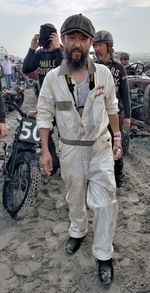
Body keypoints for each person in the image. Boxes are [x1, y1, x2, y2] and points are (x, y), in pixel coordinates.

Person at [36, 14, 121, 285]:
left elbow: (112, 108)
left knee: (106, 201)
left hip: (100, 148)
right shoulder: (52, 79)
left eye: (82, 39)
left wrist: (117, 137)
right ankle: (78, 231)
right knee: (74, 198)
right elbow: (44, 114)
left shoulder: (104, 74)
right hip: (70, 150)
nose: (76, 44)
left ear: (90, 43)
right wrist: (45, 150)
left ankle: (103, 254)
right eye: (71, 37)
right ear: (63, 41)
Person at [23, 23, 63, 173]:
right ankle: (55, 162)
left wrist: (58, 48)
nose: (45, 47)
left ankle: (65, 163)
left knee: (65, 135)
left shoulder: (61, 52)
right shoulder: (39, 54)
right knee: (45, 134)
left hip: (62, 102)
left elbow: (67, 69)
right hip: (45, 102)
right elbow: (26, 68)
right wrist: (32, 48)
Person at [93, 30, 131, 187]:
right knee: (97, 146)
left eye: (100, 45)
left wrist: (128, 116)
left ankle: (118, 174)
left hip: (115, 113)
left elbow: (125, 94)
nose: (96, 48)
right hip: (97, 114)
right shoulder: (93, 67)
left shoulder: (119, 68)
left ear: (109, 46)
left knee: (117, 145)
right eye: (94, 45)